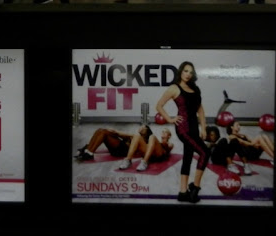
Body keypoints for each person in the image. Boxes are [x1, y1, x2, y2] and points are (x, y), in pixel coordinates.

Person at [156, 61, 210, 203]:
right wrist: (170, 119)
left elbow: (200, 109)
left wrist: (203, 128)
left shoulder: (195, 89)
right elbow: (159, 105)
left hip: (194, 128)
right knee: (205, 153)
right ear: (181, 71)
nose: (188, 74)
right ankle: (195, 189)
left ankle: (182, 192)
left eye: (191, 72)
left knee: (187, 157)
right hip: (183, 129)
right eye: (186, 71)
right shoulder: (174, 88)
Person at [74, 125, 150, 161]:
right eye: (142, 126)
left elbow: (123, 135)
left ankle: (89, 153)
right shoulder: (136, 136)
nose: (142, 127)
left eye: (144, 127)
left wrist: (115, 132)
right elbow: (123, 136)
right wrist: (113, 132)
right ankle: (88, 150)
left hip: (122, 150)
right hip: (120, 146)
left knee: (104, 132)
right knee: (100, 130)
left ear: (146, 132)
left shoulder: (141, 139)